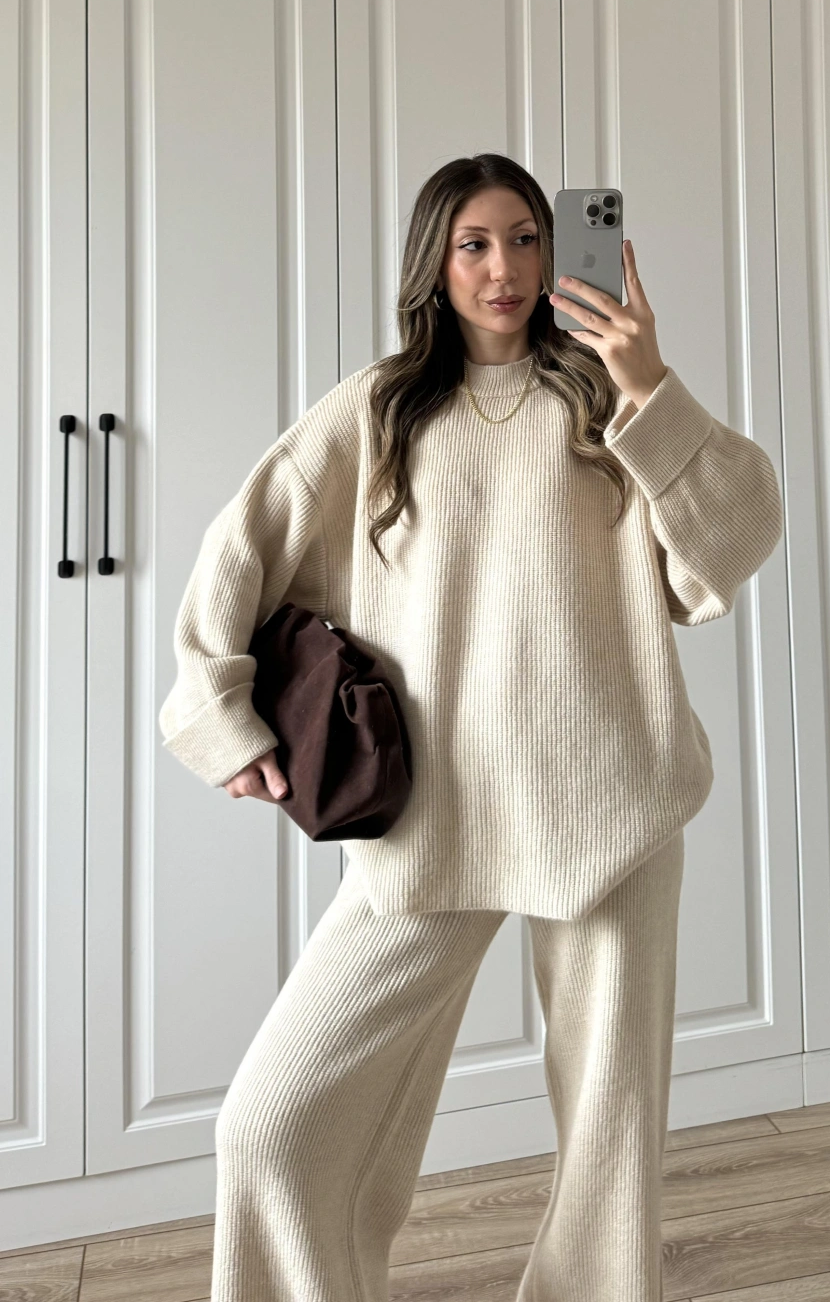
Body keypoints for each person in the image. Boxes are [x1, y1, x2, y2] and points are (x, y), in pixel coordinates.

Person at [158, 153, 783, 1301]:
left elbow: (737, 538)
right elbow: (241, 548)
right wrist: (222, 717)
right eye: (475, 244)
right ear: (435, 265)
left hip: (611, 805)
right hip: (434, 819)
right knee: (270, 1124)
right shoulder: (379, 410)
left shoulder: (605, 400)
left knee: (610, 1146)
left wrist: (647, 384)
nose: (505, 268)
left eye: (528, 239)